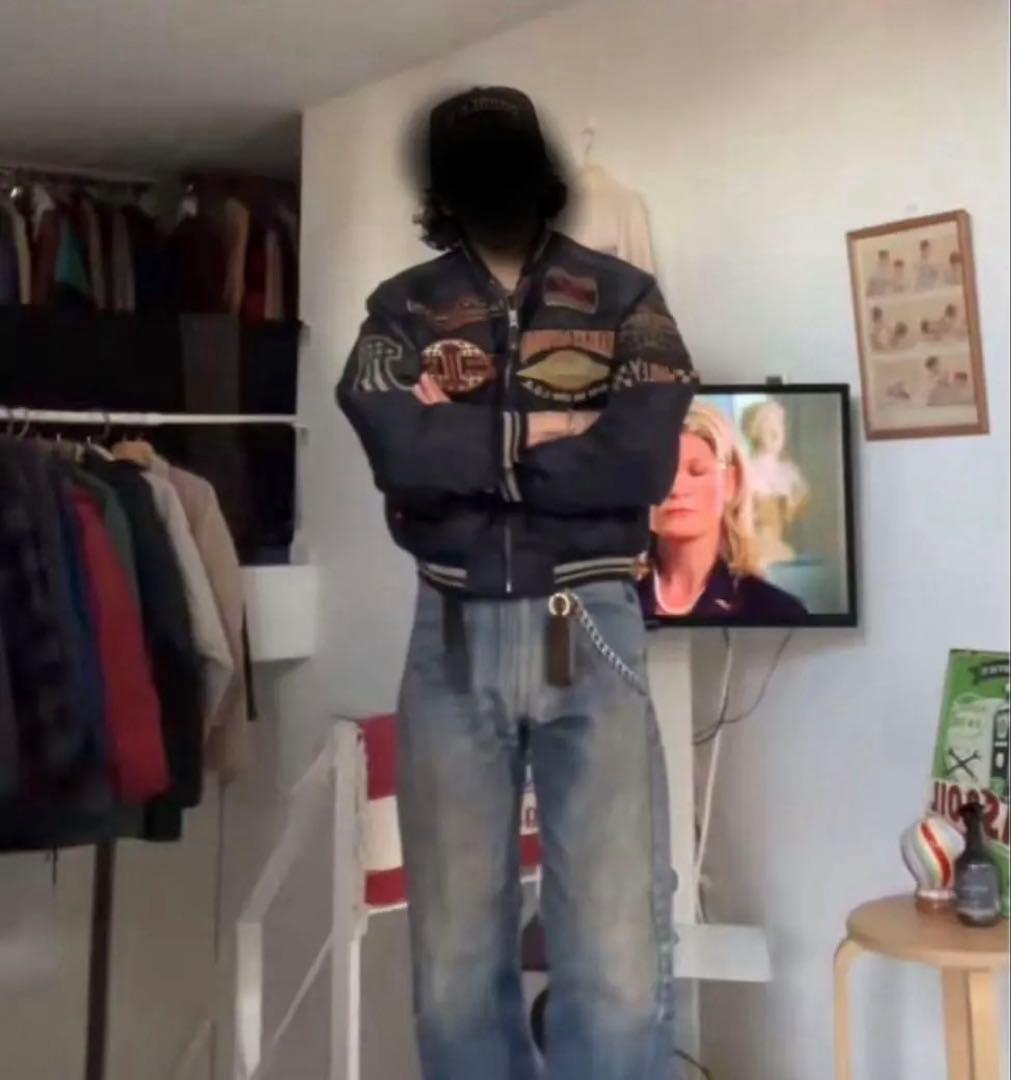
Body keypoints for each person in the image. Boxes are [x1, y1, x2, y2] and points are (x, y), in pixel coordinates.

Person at [338, 86, 696, 1080]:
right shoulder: (400, 309)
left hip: (591, 621)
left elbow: (639, 462)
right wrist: (544, 431)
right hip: (451, 626)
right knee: (453, 957)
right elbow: (398, 449)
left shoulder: (625, 299)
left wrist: (466, 440)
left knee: (615, 947)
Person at [640, 400, 807, 622]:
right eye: (663, 472)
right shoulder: (606, 604)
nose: (676, 489)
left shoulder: (776, 612)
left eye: (697, 471)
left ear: (731, 482)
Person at [740, 399, 809, 565]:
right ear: (754, 431)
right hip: (755, 550)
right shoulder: (745, 472)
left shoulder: (791, 474)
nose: (776, 433)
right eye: (768, 426)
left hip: (782, 550)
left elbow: (799, 510)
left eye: (779, 425)